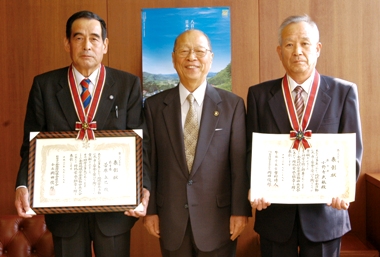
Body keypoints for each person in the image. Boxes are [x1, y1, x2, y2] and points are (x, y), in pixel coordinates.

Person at [14, 10, 150, 257]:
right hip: (65, 211)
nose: (87, 45)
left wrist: (145, 187)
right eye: (79, 38)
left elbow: (141, 143)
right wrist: (23, 184)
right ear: (67, 43)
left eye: (95, 38)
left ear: (105, 45)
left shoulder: (127, 85)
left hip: (114, 211)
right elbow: (31, 144)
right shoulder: (44, 86)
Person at [246, 15, 363, 257]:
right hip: (275, 216)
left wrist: (344, 189)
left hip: (326, 214)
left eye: (305, 43)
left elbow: (352, 151)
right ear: (279, 52)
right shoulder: (258, 95)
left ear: (318, 49)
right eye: (289, 44)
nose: (297, 51)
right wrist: (254, 186)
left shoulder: (343, 93)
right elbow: (250, 150)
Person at [143, 29, 251, 257]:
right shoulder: (153, 107)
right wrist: (150, 210)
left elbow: (239, 165)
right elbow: (149, 162)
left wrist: (240, 211)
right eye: (184, 51)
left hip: (219, 220)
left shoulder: (232, 106)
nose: (192, 57)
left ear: (210, 58)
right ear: (174, 59)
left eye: (200, 51)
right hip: (171, 219)